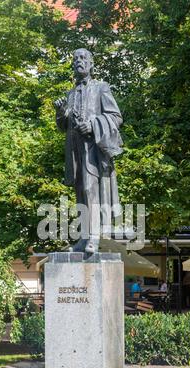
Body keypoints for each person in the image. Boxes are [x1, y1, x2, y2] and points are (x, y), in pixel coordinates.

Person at [54, 48, 123, 254]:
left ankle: (93, 237)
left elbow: (116, 117)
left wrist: (93, 125)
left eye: (83, 58)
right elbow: (63, 126)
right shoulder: (70, 93)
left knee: (90, 191)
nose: (79, 62)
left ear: (91, 64)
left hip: (93, 150)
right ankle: (84, 239)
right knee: (80, 193)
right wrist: (60, 112)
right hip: (75, 150)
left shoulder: (101, 88)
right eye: (75, 59)